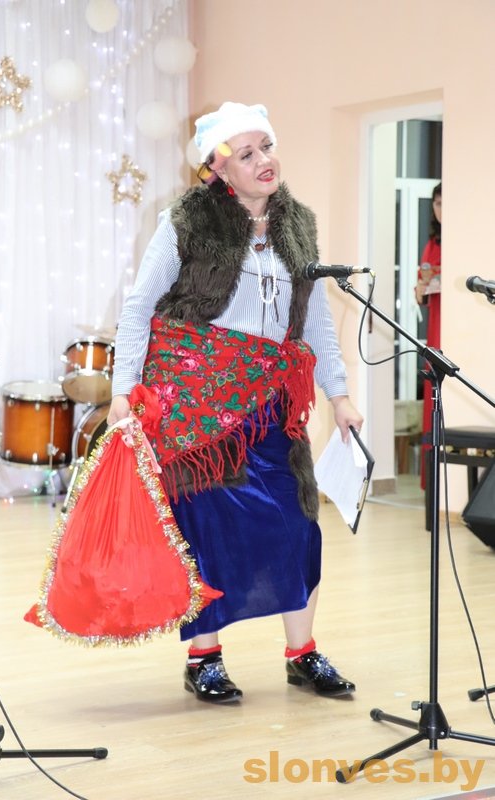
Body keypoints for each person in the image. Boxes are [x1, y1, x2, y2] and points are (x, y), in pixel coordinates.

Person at [108, 101, 363, 704]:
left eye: (266, 146)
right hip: (197, 404)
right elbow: (140, 307)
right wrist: (122, 390)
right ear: (219, 169)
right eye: (246, 154)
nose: (263, 160)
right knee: (207, 528)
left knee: (299, 523)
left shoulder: (298, 225)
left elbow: (314, 321)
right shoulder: (186, 222)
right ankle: (205, 657)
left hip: (271, 403)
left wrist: (340, 395)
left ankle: (302, 653)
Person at [414, 182, 442, 490]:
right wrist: (422, 287)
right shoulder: (432, 244)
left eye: (445, 203)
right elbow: (420, 293)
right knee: (432, 394)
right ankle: (430, 482)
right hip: (435, 328)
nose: (440, 209)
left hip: (456, 325)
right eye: (437, 204)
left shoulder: (462, 238)